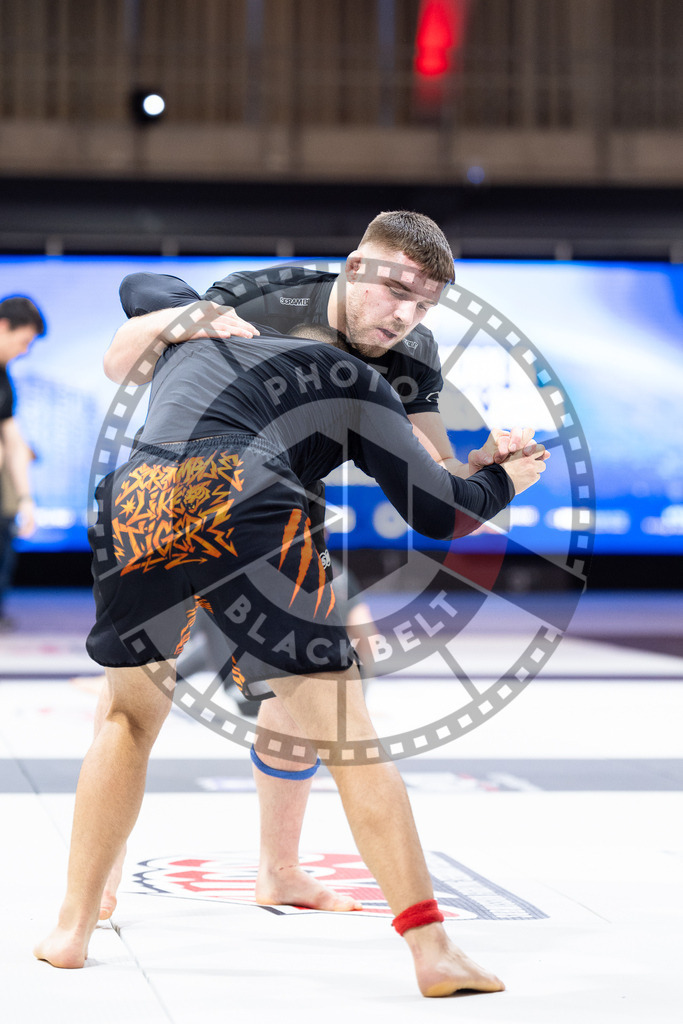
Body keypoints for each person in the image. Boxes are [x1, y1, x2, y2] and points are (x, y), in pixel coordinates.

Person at [35, 295, 547, 996]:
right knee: (346, 736)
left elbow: (138, 288)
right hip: (238, 488)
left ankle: (71, 927)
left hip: (136, 493)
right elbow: (435, 509)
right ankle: (431, 949)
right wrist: (500, 480)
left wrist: (191, 308)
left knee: (126, 719)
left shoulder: (202, 339)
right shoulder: (360, 381)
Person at [96, 213, 537, 918]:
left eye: (424, 304)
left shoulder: (411, 349)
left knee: (301, 699)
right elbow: (123, 362)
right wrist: (187, 314)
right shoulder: (263, 294)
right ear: (355, 266)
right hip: (181, 486)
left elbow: (430, 471)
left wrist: (480, 465)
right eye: (398, 291)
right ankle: (100, 881)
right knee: (137, 692)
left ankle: (280, 871)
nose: (406, 315)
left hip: (282, 510)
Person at [0, 296, 45, 628]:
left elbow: (13, 441)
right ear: (3, 327)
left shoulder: (4, 381)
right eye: (24, 341)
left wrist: (27, 500)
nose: (25, 350)